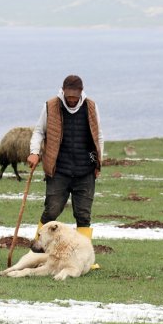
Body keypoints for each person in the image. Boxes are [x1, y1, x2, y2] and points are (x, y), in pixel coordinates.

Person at [27, 74, 104, 241]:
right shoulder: (50, 106)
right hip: (59, 170)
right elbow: (39, 131)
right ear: (62, 91)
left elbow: (98, 136)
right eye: (68, 96)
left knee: (83, 215)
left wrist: (99, 164)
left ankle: (84, 258)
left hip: (85, 171)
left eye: (74, 97)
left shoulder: (91, 106)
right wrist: (34, 152)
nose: (71, 100)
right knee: (52, 211)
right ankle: (37, 250)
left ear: (81, 93)